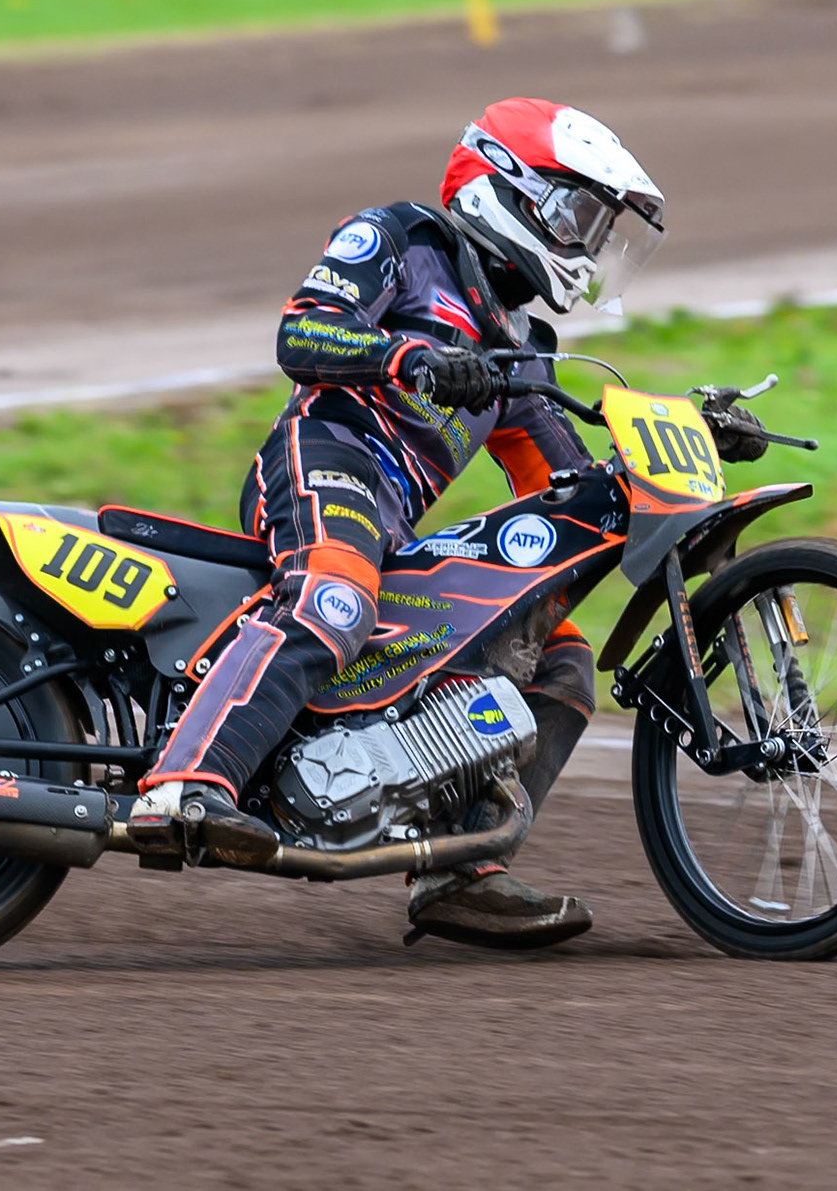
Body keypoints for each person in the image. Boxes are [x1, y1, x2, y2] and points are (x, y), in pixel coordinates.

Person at [136, 97, 673, 948]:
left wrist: (682, 452)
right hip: (322, 463)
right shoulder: (404, 239)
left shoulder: (518, 343)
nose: (588, 243)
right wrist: (407, 356)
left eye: (599, 228)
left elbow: (565, 481)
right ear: (508, 189)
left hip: (390, 525)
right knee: (334, 600)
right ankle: (186, 783)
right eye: (578, 216)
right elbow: (301, 334)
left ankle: (461, 871)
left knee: (563, 657)